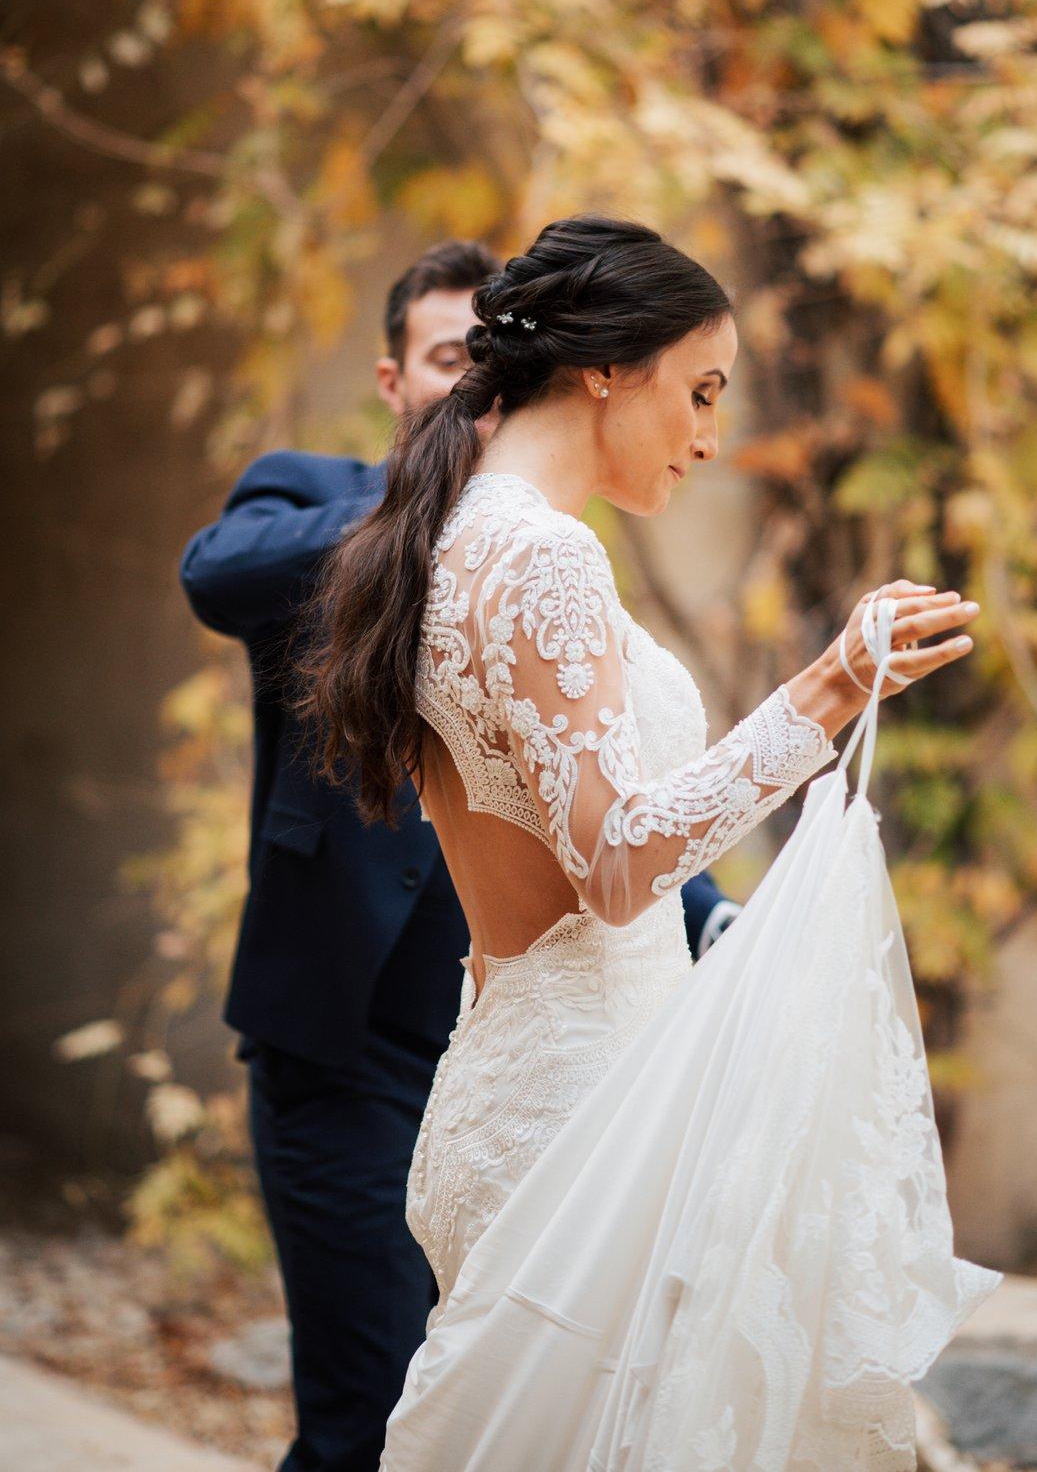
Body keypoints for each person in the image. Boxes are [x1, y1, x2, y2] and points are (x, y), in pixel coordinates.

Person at [295, 213, 994, 1467]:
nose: (711, 435)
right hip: (581, 1118)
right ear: (608, 366)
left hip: (555, 1086)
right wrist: (827, 687)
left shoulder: (463, 530)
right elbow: (616, 863)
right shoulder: (538, 553)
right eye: (701, 389)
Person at [178, 238, 739, 1472]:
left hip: (513, 1027)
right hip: (347, 1038)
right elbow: (213, 576)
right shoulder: (337, 505)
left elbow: (578, 767)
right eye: (446, 359)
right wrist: (441, 495)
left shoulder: (543, 539)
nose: (461, 385)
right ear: (395, 378)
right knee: (368, 1414)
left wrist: (709, 913)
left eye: (479, 359)